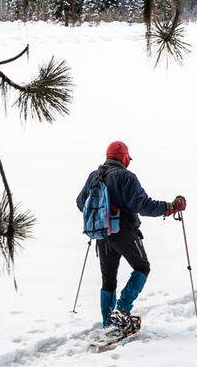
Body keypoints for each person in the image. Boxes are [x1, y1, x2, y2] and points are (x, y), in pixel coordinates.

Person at [76, 140, 186, 331]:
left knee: (108, 279)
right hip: (124, 232)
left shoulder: (95, 176)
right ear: (124, 158)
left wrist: (102, 215)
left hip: (102, 234)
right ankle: (122, 310)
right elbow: (143, 205)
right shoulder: (125, 176)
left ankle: (108, 323)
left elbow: (80, 203)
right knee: (142, 267)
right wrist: (169, 207)